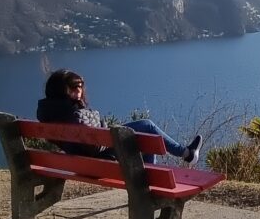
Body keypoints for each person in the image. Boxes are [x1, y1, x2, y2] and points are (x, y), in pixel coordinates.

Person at [37, 70, 201, 164]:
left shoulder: (48, 112)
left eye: (80, 86)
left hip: (82, 162)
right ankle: (186, 154)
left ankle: (177, 158)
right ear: (60, 90)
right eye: (73, 87)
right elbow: (95, 145)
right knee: (147, 126)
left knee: (143, 132)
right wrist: (103, 125)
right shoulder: (74, 114)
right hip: (100, 161)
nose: (79, 90)